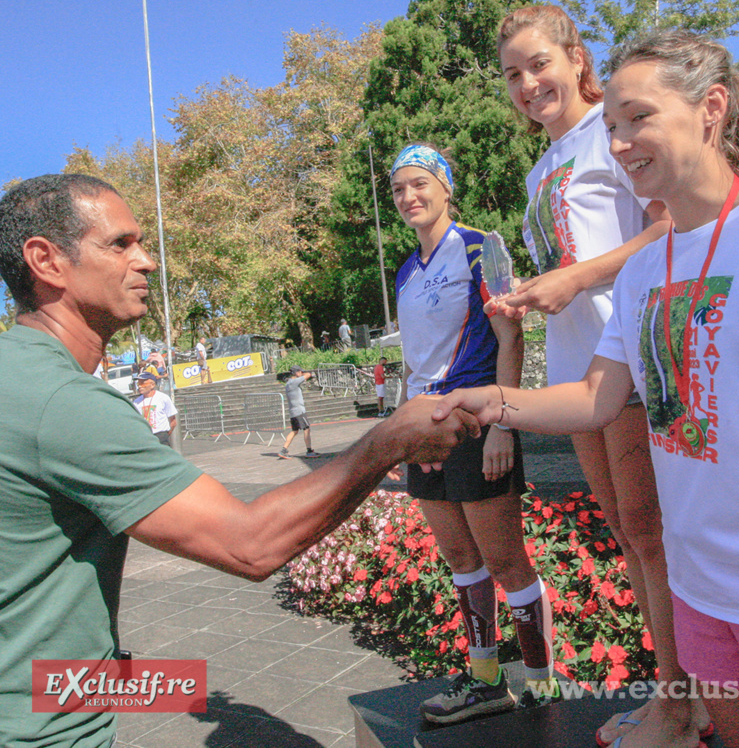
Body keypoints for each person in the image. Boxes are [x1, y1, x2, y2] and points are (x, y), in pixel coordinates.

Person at [434, 31, 739, 748]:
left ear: (710, 108)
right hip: (701, 594)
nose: (618, 144)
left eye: (637, 119)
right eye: (612, 126)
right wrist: (484, 403)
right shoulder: (645, 271)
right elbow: (593, 396)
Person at [0, 173, 480, 748]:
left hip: (56, 689)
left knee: (180, 687)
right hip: (43, 729)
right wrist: (388, 441)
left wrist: (110, 667)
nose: (147, 261)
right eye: (121, 244)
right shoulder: (65, 403)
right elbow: (250, 544)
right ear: (46, 261)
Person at [494, 5, 701, 747]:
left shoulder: (608, 134)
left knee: (651, 532)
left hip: (633, 359)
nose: (527, 83)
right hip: (578, 370)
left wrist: (576, 276)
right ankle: (672, 698)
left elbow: (664, 224)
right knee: (629, 531)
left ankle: (681, 707)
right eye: (512, 73)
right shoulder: (538, 167)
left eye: (539, 63)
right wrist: (530, 291)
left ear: (576, 59)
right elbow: (572, 263)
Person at [390, 143, 556, 724]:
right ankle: (485, 679)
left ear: (445, 187)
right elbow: (415, 361)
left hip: (477, 422)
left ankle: (541, 683)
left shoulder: (482, 248)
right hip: (424, 429)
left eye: (420, 184)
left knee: (507, 559)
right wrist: (397, 434)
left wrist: (503, 426)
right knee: (460, 556)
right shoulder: (406, 270)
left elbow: (512, 338)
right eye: (399, 189)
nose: (410, 196)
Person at [278, 365, 320, 459]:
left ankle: (283, 450)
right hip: (299, 411)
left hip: (293, 411)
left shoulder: (288, 383)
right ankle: (309, 451)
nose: (301, 373)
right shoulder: (294, 381)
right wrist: (305, 373)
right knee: (306, 429)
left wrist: (301, 373)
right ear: (296, 372)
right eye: (300, 372)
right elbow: (308, 375)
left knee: (294, 431)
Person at [133, 370, 178, 446]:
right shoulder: (136, 402)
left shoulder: (163, 398)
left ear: (152, 385)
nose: (139, 386)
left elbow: (173, 421)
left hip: (161, 436)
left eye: (143, 383)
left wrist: (165, 435)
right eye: (138, 383)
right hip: (145, 437)